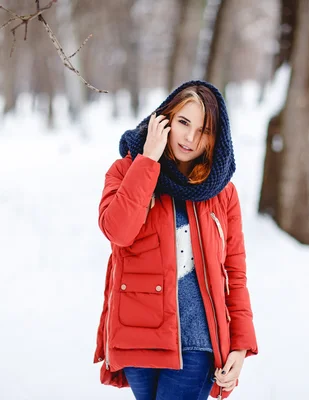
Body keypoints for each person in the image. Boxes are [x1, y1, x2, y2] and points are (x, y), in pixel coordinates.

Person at [93, 80, 258, 400]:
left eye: (203, 130)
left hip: (197, 341)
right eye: (183, 122)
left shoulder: (221, 192)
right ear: (164, 119)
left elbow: (234, 272)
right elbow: (118, 231)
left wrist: (240, 343)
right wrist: (147, 162)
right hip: (139, 338)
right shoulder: (126, 171)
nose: (190, 137)